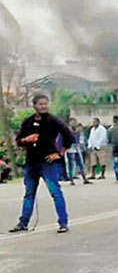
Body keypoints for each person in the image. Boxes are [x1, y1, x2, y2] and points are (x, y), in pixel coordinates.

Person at [9, 95, 73, 234]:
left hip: (48, 162)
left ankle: (63, 222)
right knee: (29, 194)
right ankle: (23, 223)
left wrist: (59, 153)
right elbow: (18, 140)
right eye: (40, 104)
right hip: (32, 162)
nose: (43, 106)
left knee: (55, 192)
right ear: (34, 105)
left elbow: (69, 137)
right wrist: (27, 139)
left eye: (45, 104)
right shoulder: (28, 122)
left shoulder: (54, 121)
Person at [65, 119, 91, 185]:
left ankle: (84, 178)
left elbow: (81, 140)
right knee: (71, 165)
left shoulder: (78, 131)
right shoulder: (67, 130)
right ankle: (71, 180)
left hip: (77, 148)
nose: (73, 124)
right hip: (70, 149)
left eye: (74, 122)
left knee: (81, 164)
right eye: (72, 122)